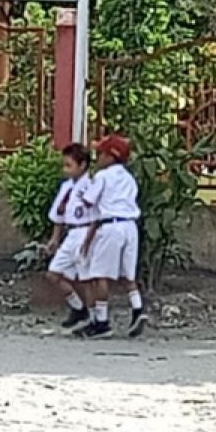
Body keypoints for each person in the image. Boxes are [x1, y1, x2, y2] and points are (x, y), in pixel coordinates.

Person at [78, 134, 147, 339]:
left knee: (100, 275)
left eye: (100, 153)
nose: (97, 158)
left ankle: (102, 322)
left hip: (110, 227)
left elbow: (89, 201)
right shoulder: (129, 178)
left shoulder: (102, 177)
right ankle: (137, 309)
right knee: (128, 276)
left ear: (110, 157)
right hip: (130, 227)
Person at [43, 143, 94, 332]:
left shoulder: (91, 186)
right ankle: (77, 307)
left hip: (85, 231)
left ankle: (95, 317)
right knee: (53, 274)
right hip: (71, 233)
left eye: (69, 165)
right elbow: (59, 214)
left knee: (86, 278)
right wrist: (55, 238)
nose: (65, 169)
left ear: (82, 166)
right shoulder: (66, 187)